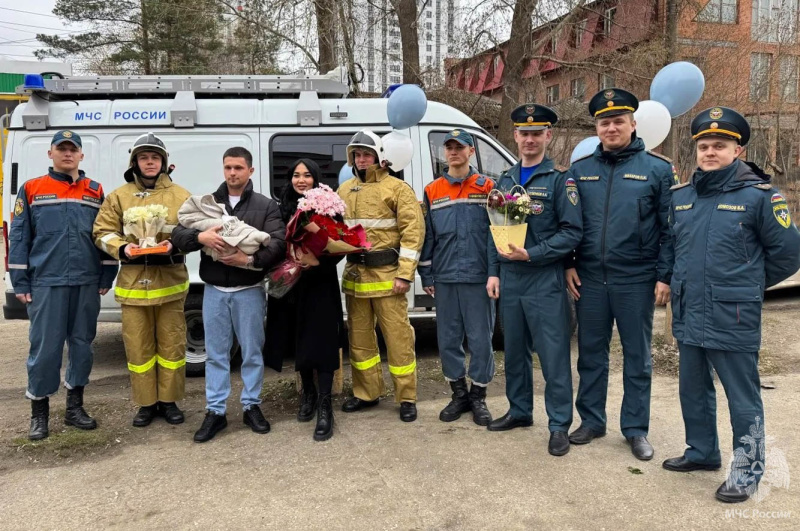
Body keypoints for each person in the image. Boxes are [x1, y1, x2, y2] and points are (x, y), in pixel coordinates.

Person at [663, 107, 800, 503]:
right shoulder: (682, 197)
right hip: (689, 309)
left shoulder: (760, 197)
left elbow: (789, 254)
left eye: (719, 145)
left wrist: (748, 284)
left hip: (732, 312)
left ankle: (747, 470)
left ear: (737, 150)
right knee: (693, 389)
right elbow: (674, 247)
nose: (710, 152)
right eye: (704, 145)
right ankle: (702, 451)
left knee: (742, 396)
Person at [565, 88, 675, 461]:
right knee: (590, 355)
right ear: (596, 128)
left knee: (637, 357)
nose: (611, 128)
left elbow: (669, 230)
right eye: (604, 122)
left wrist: (664, 276)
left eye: (618, 121)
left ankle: (635, 429)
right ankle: (592, 421)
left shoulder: (658, 170)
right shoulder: (580, 171)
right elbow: (570, 225)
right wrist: (568, 263)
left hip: (636, 279)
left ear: (633, 124)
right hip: (590, 279)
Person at [485, 105, 582, 457]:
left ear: (548, 136)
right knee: (514, 352)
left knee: (553, 356)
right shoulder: (505, 180)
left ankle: (559, 425)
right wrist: (494, 271)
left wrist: (533, 253)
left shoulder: (559, 180)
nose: (529, 139)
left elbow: (572, 232)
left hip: (543, 278)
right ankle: (520, 410)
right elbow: (493, 229)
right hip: (511, 279)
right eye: (524, 133)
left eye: (536, 133)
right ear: (515, 136)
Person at [8, 130, 118, 440]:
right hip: (47, 282)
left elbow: (105, 235)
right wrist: (20, 281)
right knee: (45, 349)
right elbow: (19, 237)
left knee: (82, 346)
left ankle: (74, 408)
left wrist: (107, 274)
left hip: (86, 281)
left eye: (73, 149)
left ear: (81, 155)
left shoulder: (95, 191)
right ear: (51, 153)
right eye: (61, 148)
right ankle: (39, 413)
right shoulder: (32, 189)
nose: (67, 154)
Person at [171, 147, 286, 442]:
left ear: (250, 171)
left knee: (252, 352)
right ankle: (216, 411)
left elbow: (277, 244)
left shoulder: (266, 206)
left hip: (249, 291)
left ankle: (251, 406)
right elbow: (177, 234)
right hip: (214, 292)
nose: (232, 173)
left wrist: (248, 260)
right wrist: (200, 236)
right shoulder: (207, 203)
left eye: (238, 167)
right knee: (216, 355)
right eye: (228, 167)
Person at [93, 133, 191, 428]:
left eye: (155, 157)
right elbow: (102, 232)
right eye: (144, 157)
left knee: (172, 347)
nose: (150, 162)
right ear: (134, 162)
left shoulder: (181, 195)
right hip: (134, 286)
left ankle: (170, 402)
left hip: (170, 285)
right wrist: (122, 248)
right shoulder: (118, 196)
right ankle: (146, 403)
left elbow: (193, 232)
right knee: (138, 349)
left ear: (164, 162)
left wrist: (176, 244)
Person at [337, 130, 425, 422]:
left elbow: (413, 235)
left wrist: (405, 275)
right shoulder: (344, 190)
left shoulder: (398, 189)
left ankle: (406, 397)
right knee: (360, 340)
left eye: (367, 154)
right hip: (355, 278)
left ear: (379, 157)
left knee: (398, 340)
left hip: (389, 279)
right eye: (357, 155)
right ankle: (367, 393)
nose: (362, 160)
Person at [264, 159, 345, 441]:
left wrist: (318, 260)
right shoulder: (281, 207)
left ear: (316, 179)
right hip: (292, 284)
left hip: (320, 283)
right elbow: (276, 242)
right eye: (296, 175)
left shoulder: (330, 207)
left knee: (322, 342)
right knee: (299, 340)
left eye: (307, 175)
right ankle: (308, 393)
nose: (301, 180)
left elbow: (341, 243)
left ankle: (325, 404)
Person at [418, 130, 495, 426]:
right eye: (449, 147)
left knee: (481, 340)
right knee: (448, 339)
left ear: (471, 151)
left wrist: (495, 273)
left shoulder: (489, 187)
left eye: (459, 147)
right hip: (446, 277)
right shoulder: (433, 190)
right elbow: (428, 236)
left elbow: (497, 233)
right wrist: (426, 273)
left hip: (478, 277)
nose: (453, 152)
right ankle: (459, 394)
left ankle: (478, 395)